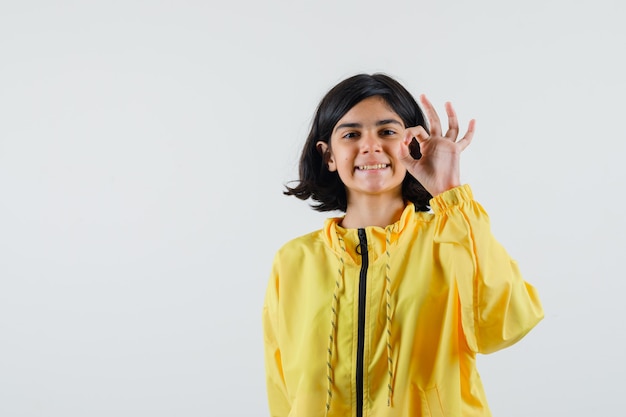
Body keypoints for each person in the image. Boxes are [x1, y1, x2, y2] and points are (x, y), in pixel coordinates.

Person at [262, 73, 543, 417]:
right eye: (351, 134)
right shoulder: (293, 261)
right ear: (328, 155)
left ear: (413, 144)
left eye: (387, 131)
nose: (371, 146)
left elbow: (506, 324)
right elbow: (282, 388)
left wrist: (449, 192)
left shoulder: (449, 238)